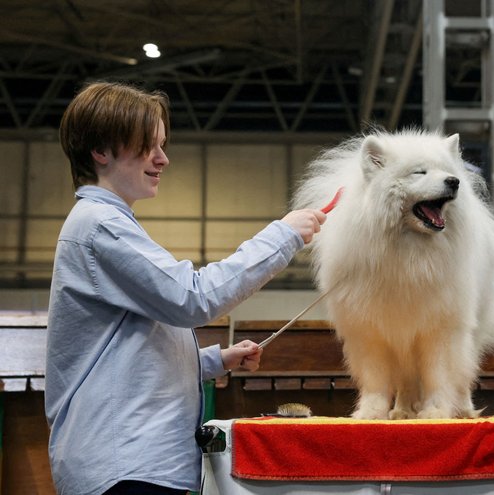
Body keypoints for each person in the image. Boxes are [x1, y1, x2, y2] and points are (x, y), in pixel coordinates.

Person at [45, 81, 326, 495]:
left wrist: (213, 360)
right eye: (148, 146)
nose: (163, 159)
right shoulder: (100, 226)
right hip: (126, 469)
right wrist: (282, 236)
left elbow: (129, 347)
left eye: (161, 145)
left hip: (134, 465)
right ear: (101, 152)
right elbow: (192, 299)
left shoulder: (105, 224)